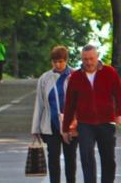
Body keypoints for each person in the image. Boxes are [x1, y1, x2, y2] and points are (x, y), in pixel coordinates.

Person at [62, 44, 121, 183]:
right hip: (85, 124)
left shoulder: (109, 72)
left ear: (97, 57)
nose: (88, 62)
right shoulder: (75, 77)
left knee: (108, 159)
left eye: (91, 59)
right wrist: (65, 128)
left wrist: (119, 113)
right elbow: (69, 104)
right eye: (85, 59)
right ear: (81, 59)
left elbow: (119, 95)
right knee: (86, 157)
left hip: (106, 122)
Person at [32, 45, 77, 183]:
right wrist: (35, 128)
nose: (58, 64)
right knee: (53, 159)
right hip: (50, 125)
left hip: (71, 124)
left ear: (66, 60)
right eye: (55, 61)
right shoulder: (45, 79)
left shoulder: (75, 76)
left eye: (61, 61)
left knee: (70, 158)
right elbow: (39, 103)